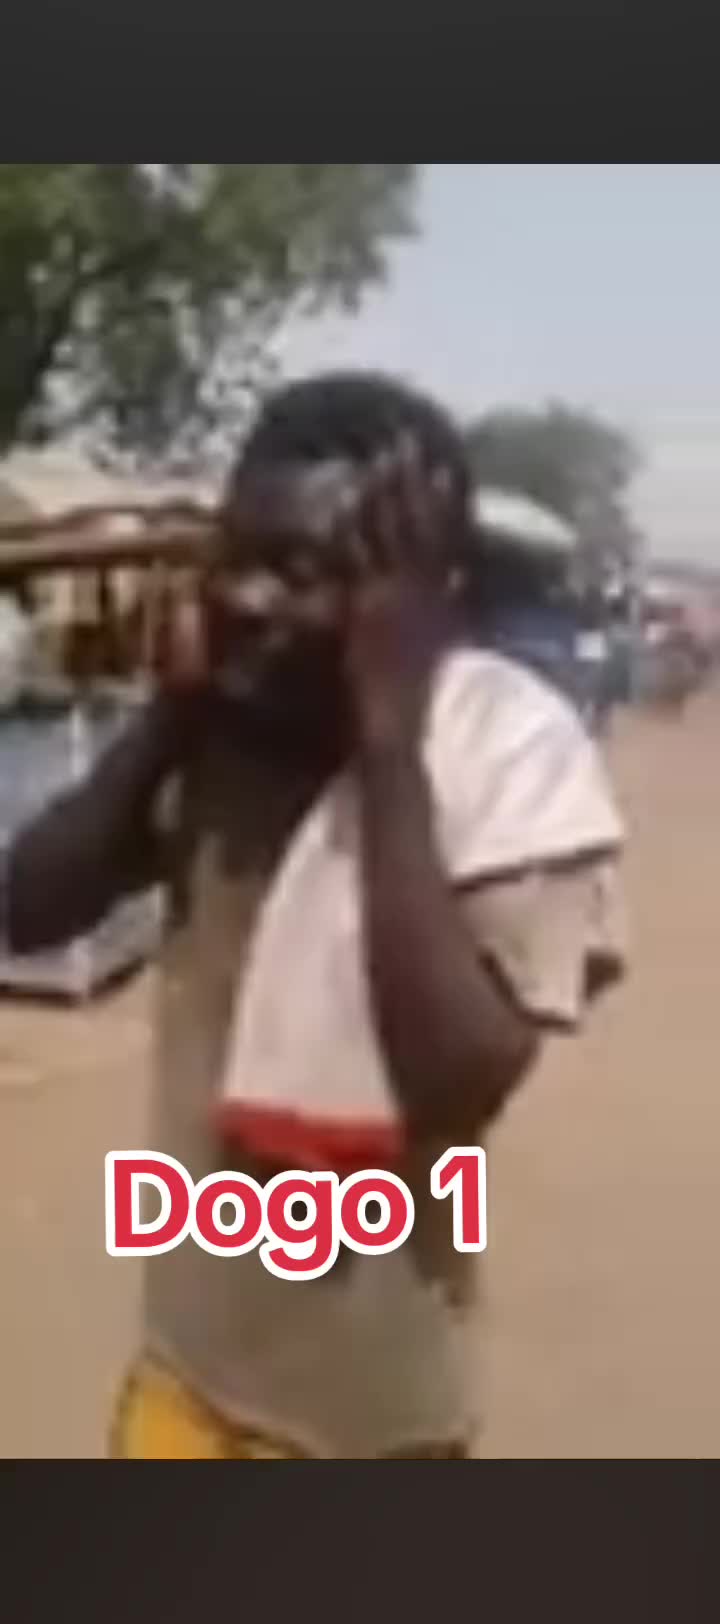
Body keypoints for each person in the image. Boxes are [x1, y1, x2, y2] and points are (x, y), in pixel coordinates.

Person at [0, 373, 626, 1460]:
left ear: (421, 601)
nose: (247, 599)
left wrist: (389, 744)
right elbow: (28, 911)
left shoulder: (502, 762)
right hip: (182, 1372)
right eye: (236, 557)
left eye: (302, 572)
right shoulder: (223, 736)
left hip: (370, 1424)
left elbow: (459, 1081)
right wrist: (170, 718)